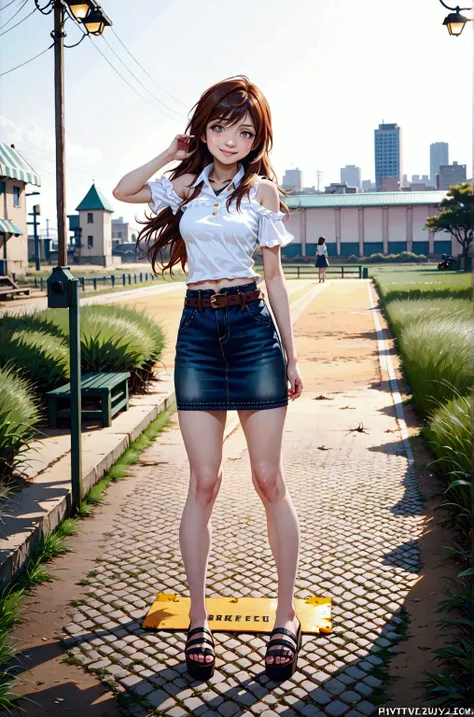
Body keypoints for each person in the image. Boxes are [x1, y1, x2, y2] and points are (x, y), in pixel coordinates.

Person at [113, 75, 303, 683]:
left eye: (244, 131)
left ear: (257, 138)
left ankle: (285, 615)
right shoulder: (184, 186)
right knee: (203, 481)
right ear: (204, 127)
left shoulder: (264, 193)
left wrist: (292, 357)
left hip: (252, 330)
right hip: (198, 331)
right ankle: (197, 620)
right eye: (220, 126)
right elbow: (122, 190)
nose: (231, 139)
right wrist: (172, 155)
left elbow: (273, 278)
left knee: (268, 479)